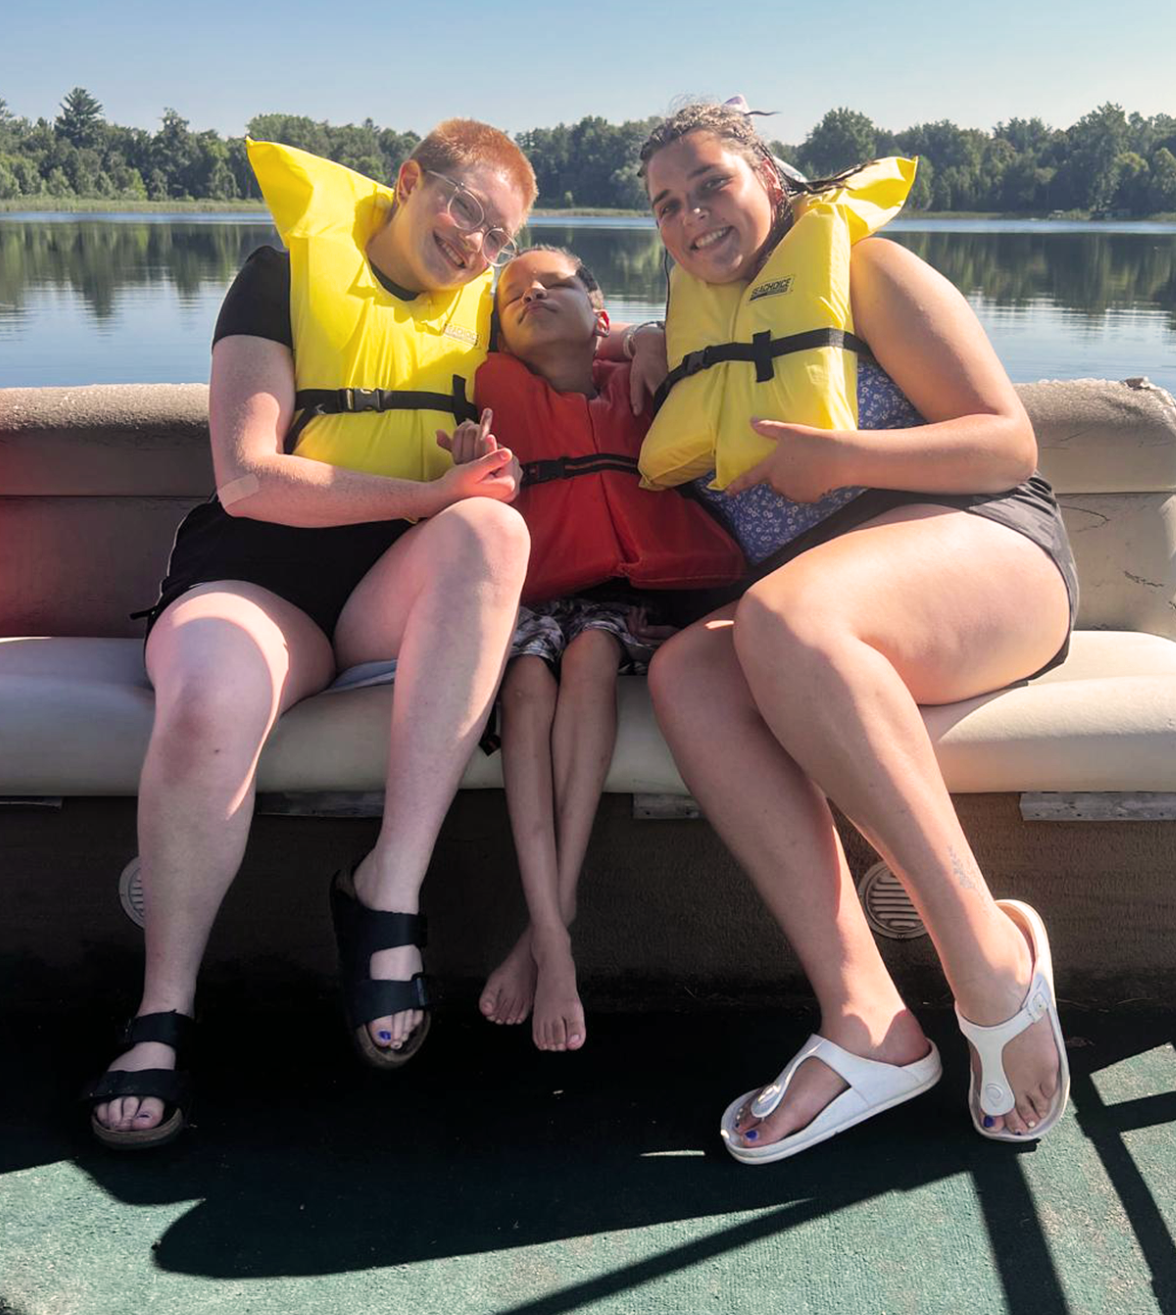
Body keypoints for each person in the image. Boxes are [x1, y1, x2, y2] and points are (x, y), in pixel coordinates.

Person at [83, 123, 536, 1148]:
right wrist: (425, 489)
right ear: (410, 182)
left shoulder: (485, 310)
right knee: (210, 696)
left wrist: (475, 466)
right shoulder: (279, 273)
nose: (474, 248)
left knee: (491, 529)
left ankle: (389, 893)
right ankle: (164, 1009)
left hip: (385, 588)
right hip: (256, 578)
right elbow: (245, 473)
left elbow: (572, 341)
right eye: (465, 212)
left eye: (496, 239)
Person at [638, 102, 1077, 1160]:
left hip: (989, 549)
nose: (692, 216)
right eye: (666, 204)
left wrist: (844, 455)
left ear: (771, 182)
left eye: (711, 184)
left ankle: (992, 964)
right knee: (689, 668)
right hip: (820, 612)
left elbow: (1002, 441)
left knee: (787, 613)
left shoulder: (867, 267)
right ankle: (869, 1023)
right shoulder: (688, 335)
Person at [440, 246, 744, 1052]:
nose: (532, 293)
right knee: (528, 687)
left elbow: (678, 345)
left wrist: (646, 336)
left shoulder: (643, 379)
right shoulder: (490, 394)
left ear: (598, 310)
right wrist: (470, 478)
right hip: (536, 588)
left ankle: (547, 929)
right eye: (511, 293)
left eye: (554, 284)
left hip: (631, 598)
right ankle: (552, 928)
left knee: (589, 660)